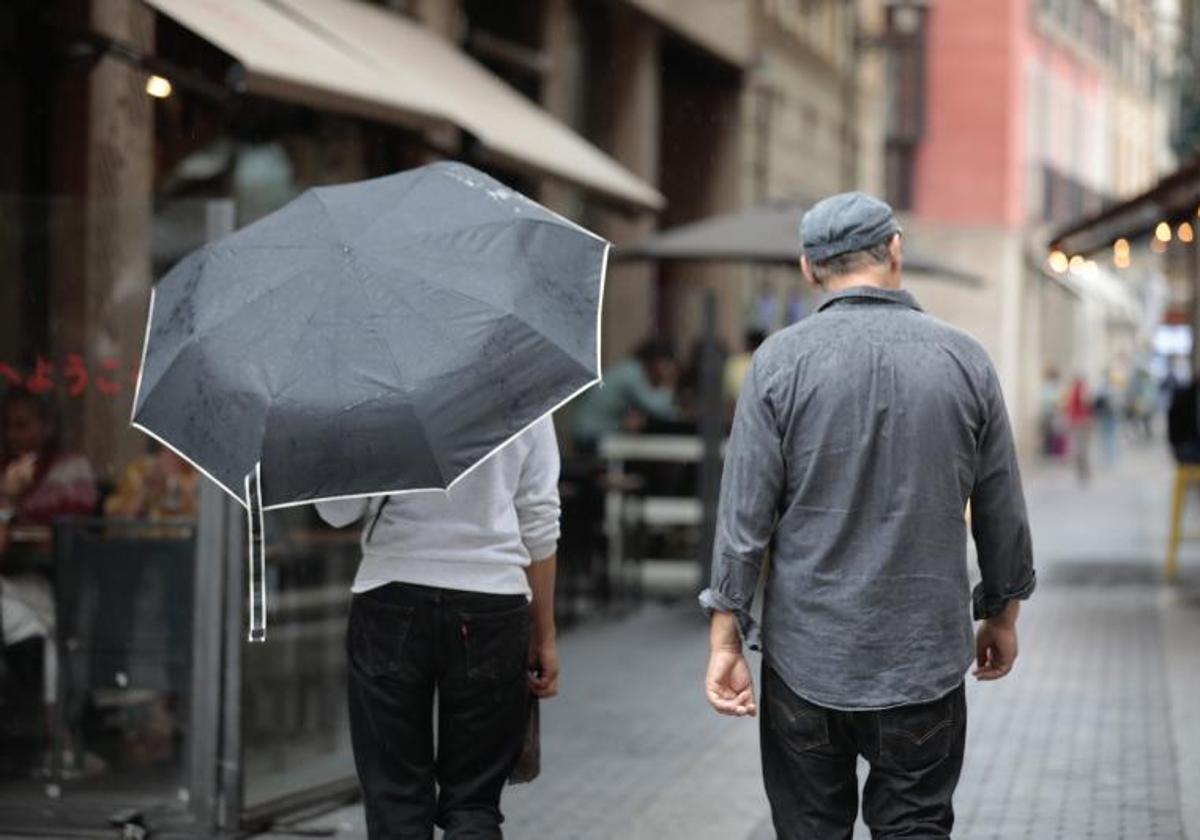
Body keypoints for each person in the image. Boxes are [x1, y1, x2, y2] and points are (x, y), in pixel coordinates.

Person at [700, 192, 1035, 839]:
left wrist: (724, 640)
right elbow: (1002, 508)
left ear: (808, 268)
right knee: (916, 827)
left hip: (806, 659)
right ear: (895, 253)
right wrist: (1002, 614)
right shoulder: (965, 360)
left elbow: (743, 520)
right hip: (923, 661)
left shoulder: (777, 364)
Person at [316, 416, 562, 839]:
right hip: (493, 601)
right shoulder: (524, 385)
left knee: (396, 802)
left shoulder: (378, 393)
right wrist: (545, 636)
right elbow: (539, 519)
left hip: (391, 597)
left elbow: (336, 513)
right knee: (474, 803)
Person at [0, 387, 98, 770]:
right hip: (18, 578)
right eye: (8, 426)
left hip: (49, 575)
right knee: (43, 625)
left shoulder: (69, 468)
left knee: (59, 621)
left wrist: (13, 502)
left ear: (46, 427)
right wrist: (8, 499)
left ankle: (61, 736)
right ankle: (59, 738)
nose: (13, 435)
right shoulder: (8, 474)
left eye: (22, 425)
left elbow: (72, 523)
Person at [570, 338, 681, 452]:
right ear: (657, 361)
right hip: (591, 435)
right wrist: (668, 383)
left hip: (592, 431)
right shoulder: (632, 374)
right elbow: (657, 409)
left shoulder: (629, 368)